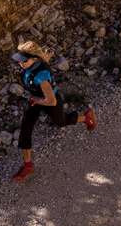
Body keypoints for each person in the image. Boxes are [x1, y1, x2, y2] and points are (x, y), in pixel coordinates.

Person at [10, 41, 96, 182]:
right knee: (25, 128)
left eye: (24, 61)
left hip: (49, 100)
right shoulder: (35, 63)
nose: (21, 64)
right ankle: (28, 165)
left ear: (34, 59)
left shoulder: (41, 77)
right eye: (20, 60)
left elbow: (52, 101)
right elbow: (44, 58)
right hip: (35, 99)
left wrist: (36, 100)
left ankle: (85, 117)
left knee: (61, 122)